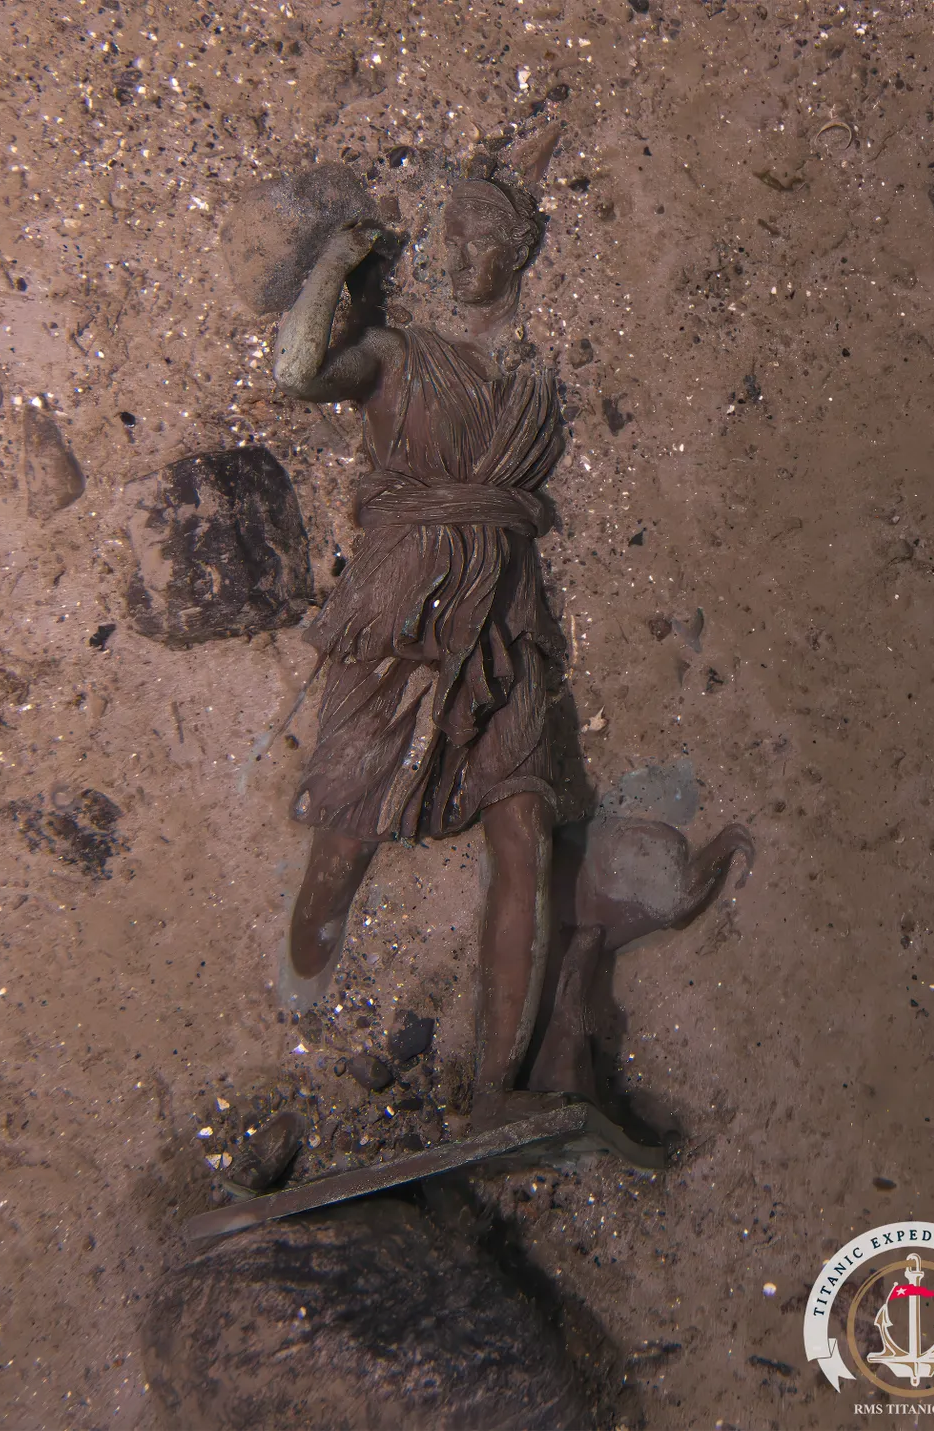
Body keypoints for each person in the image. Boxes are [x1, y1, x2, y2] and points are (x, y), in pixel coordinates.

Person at [273, 175, 566, 1130]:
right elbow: (297, 370)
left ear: (516, 248)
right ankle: (299, 1007)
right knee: (347, 827)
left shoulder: (533, 382)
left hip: (506, 612)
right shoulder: (401, 357)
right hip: (400, 605)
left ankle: (495, 1090)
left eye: (477, 237)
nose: (457, 256)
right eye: (447, 239)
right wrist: (331, 267)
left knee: (525, 828)